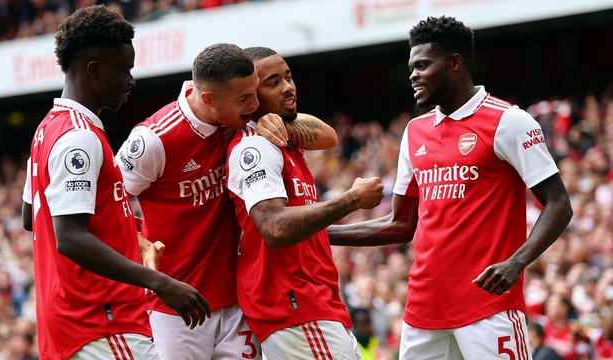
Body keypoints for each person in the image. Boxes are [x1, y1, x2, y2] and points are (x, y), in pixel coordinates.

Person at [327, 16, 573, 359]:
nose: (413, 74)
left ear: (455, 62)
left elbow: (559, 204)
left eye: (423, 65)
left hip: (488, 306)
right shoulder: (415, 132)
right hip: (423, 309)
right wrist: (320, 234)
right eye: (411, 67)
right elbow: (400, 224)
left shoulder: (508, 121)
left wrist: (517, 262)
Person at [115, 42, 337, 360]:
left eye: (255, 94)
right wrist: (141, 245)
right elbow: (106, 203)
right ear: (208, 99)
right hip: (177, 304)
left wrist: (279, 122)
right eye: (245, 99)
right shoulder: (153, 140)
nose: (254, 104)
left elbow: (328, 136)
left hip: (237, 301)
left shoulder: (243, 121)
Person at [21, 5, 210, 359]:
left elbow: (30, 216)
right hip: (101, 321)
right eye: (124, 71)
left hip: (74, 325)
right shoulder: (79, 137)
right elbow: (70, 237)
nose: (131, 82)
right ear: (93, 70)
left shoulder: (47, 129)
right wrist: (160, 282)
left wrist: (126, 235)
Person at [225, 46, 384, 359]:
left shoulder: (284, 140)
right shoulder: (257, 147)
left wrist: (279, 121)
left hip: (314, 303)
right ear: (249, 97)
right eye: (273, 82)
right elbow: (274, 228)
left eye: (288, 77)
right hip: (294, 306)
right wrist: (352, 200)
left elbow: (329, 136)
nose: (288, 87)